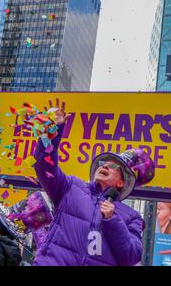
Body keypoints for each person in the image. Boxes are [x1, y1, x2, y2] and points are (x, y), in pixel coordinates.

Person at [33, 99, 155, 266]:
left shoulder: (132, 217)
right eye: (103, 162)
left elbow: (131, 257)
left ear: (121, 182)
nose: (104, 165)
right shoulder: (71, 187)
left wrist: (112, 219)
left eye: (113, 166)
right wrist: (51, 134)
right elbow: (43, 165)